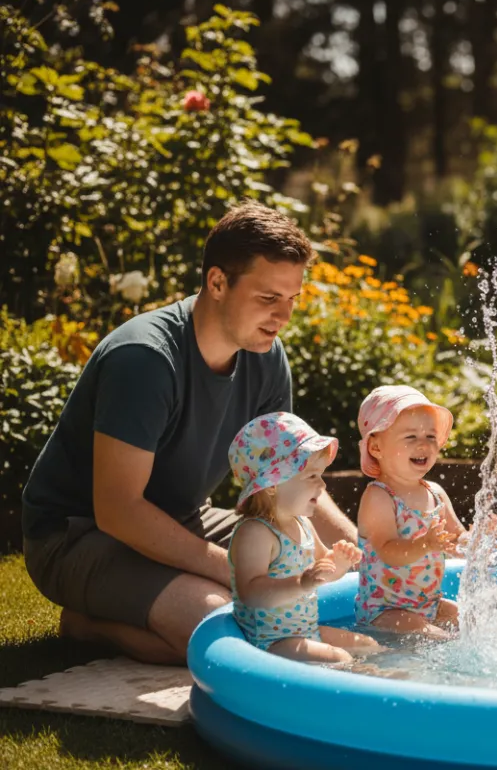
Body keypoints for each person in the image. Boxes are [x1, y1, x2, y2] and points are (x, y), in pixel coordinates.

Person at [21, 201, 356, 665]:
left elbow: (291, 474)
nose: (283, 317)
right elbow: (117, 511)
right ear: (217, 282)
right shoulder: (145, 359)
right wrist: (235, 571)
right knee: (216, 626)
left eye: (291, 299)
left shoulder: (265, 356)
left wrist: (358, 550)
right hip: (78, 536)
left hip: (182, 517)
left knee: (318, 581)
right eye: (267, 298)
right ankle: (88, 625)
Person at [227, 412, 378, 662]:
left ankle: (389, 680)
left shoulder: (303, 523)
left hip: (305, 632)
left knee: (368, 645)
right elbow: (250, 592)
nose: (322, 485)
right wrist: (301, 583)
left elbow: (322, 571)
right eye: (311, 476)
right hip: (268, 642)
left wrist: (339, 563)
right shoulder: (256, 532)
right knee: (340, 658)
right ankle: (370, 687)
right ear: (272, 485)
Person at [354, 385, 470, 639]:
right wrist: (426, 544)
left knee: (475, 623)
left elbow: (455, 537)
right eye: (411, 437)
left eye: (430, 437)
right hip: (385, 610)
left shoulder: (436, 492)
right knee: (442, 640)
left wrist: (474, 540)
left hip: (430, 604)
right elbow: (388, 551)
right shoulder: (379, 496)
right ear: (376, 448)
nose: (424, 444)